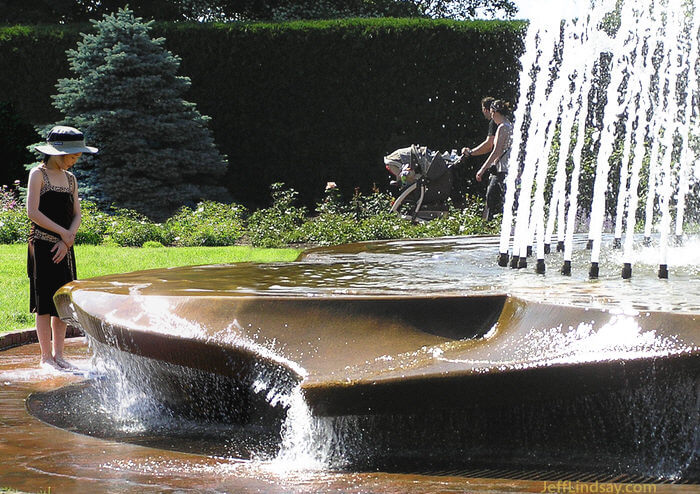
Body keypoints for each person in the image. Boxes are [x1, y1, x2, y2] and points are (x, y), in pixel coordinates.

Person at [26, 126, 97, 370]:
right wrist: (62, 234)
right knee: (44, 303)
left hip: (64, 248)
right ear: (58, 152)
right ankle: (46, 357)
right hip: (43, 245)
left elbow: (76, 213)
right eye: (73, 157)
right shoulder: (38, 174)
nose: (75, 162)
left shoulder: (71, 179)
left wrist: (68, 239)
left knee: (61, 304)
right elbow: (32, 212)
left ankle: (60, 355)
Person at [475, 99, 513, 221]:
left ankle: (491, 225)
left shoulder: (502, 127)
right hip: (508, 168)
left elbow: (496, 151)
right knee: (504, 198)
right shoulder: (509, 125)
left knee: (491, 197)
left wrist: (482, 169)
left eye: (491, 113)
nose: (491, 116)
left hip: (502, 169)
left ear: (495, 112)